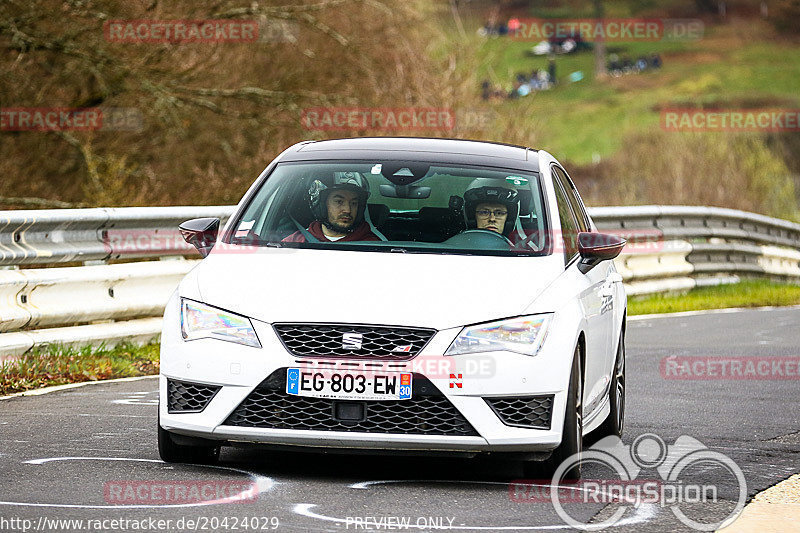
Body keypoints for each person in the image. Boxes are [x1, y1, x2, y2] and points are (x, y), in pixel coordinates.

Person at [283, 172, 381, 243]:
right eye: (339, 202)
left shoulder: (372, 245)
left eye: (354, 203)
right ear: (321, 204)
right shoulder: (295, 241)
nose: (347, 210)